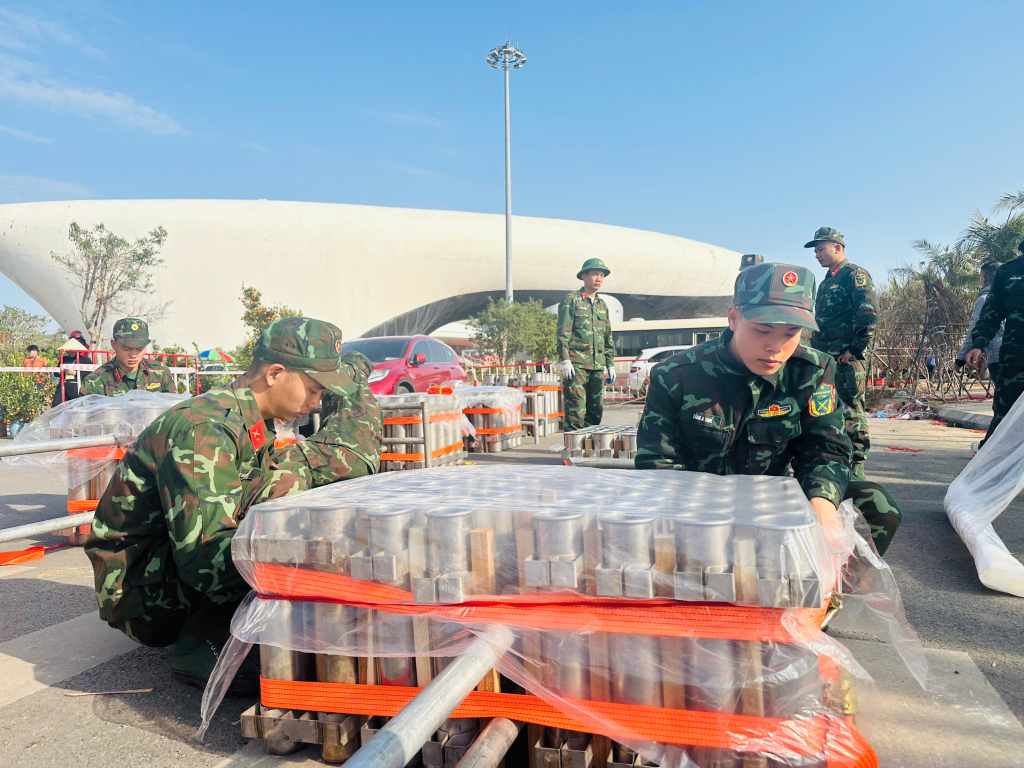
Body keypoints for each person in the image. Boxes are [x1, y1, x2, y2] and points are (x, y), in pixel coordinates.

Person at [85, 317, 383, 691]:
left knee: (287, 492)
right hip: (141, 594)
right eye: (312, 389)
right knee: (291, 527)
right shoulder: (206, 429)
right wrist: (311, 564)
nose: (315, 403)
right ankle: (205, 642)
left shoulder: (248, 417)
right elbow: (205, 562)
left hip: (164, 563)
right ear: (275, 373)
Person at [635, 262, 901, 556]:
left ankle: (827, 592)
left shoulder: (812, 371)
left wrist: (822, 511)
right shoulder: (676, 375)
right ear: (734, 318)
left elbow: (824, 448)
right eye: (762, 330)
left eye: (791, 332)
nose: (775, 347)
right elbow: (659, 465)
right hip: (696, 508)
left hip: (772, 503)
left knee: (876, 504)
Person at [806, 227, 878, 480]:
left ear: (837, 247)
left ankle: (857, 462)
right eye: (815, 250)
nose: (817, 254)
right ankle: (836, 456)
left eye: (821, 249)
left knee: (851, 409)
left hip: (844, 359)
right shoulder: (828, 280)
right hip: (826, 358)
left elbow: (868, 314)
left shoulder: (854, 275)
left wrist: (854, 350)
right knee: (828, 408)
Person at [967, 241, 1024, 447]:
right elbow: (991, 314)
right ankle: (989, 469)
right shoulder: (1009, 271)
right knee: (1005, 418)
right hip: (1016, 360)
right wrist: (978, 344)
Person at [557, 258, 616, 431]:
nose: (599, 278)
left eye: (602, 275)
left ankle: (589, 451)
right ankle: (572, 454)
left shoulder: (602, 305)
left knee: (595, 411)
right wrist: (565, 360)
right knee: (576, 410)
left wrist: (610, 364)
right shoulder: (572, 300)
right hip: (577, 365)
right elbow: (563, 333)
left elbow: (607, 338)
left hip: (597, 367)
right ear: (584, 276)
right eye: (595, 274)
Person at [81, 318, 177, 396]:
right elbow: (90, 417)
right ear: (113, 344)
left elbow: (172, 412)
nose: (133, 355)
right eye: (126, 348)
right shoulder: (96, 381)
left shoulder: (161, 373)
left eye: (139, 348)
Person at [956, 261, 1004, 385]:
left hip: (1000, 358)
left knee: (1007, 402)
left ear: (983, 279)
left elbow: (976, 329)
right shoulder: (1016, 296)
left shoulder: (984, 300)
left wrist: (960, 360)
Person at [52, 330, 93, 406]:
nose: (71, 350)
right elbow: (56, 373)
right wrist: (62, 372)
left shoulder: (85, 360)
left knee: (77, 408)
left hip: (77, 386)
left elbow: (90, 374)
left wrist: (75, 373)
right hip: (63, 385)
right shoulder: (64, 359)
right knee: (56, 407)